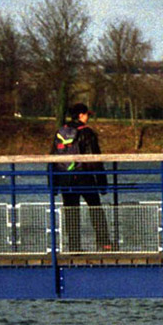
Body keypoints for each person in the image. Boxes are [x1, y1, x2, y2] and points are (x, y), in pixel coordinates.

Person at [52, 102, 114, 252]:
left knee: (71, 212)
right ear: (81, 115)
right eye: (87, 115)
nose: (88, 118)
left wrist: (54, 185)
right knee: (95, 208)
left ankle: (74, 246)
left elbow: (53, 158)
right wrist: (102, 183)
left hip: (65, 177)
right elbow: (94, 159)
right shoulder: (87, 133)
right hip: (84, 177)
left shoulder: (61, 133)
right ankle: (104, 243)